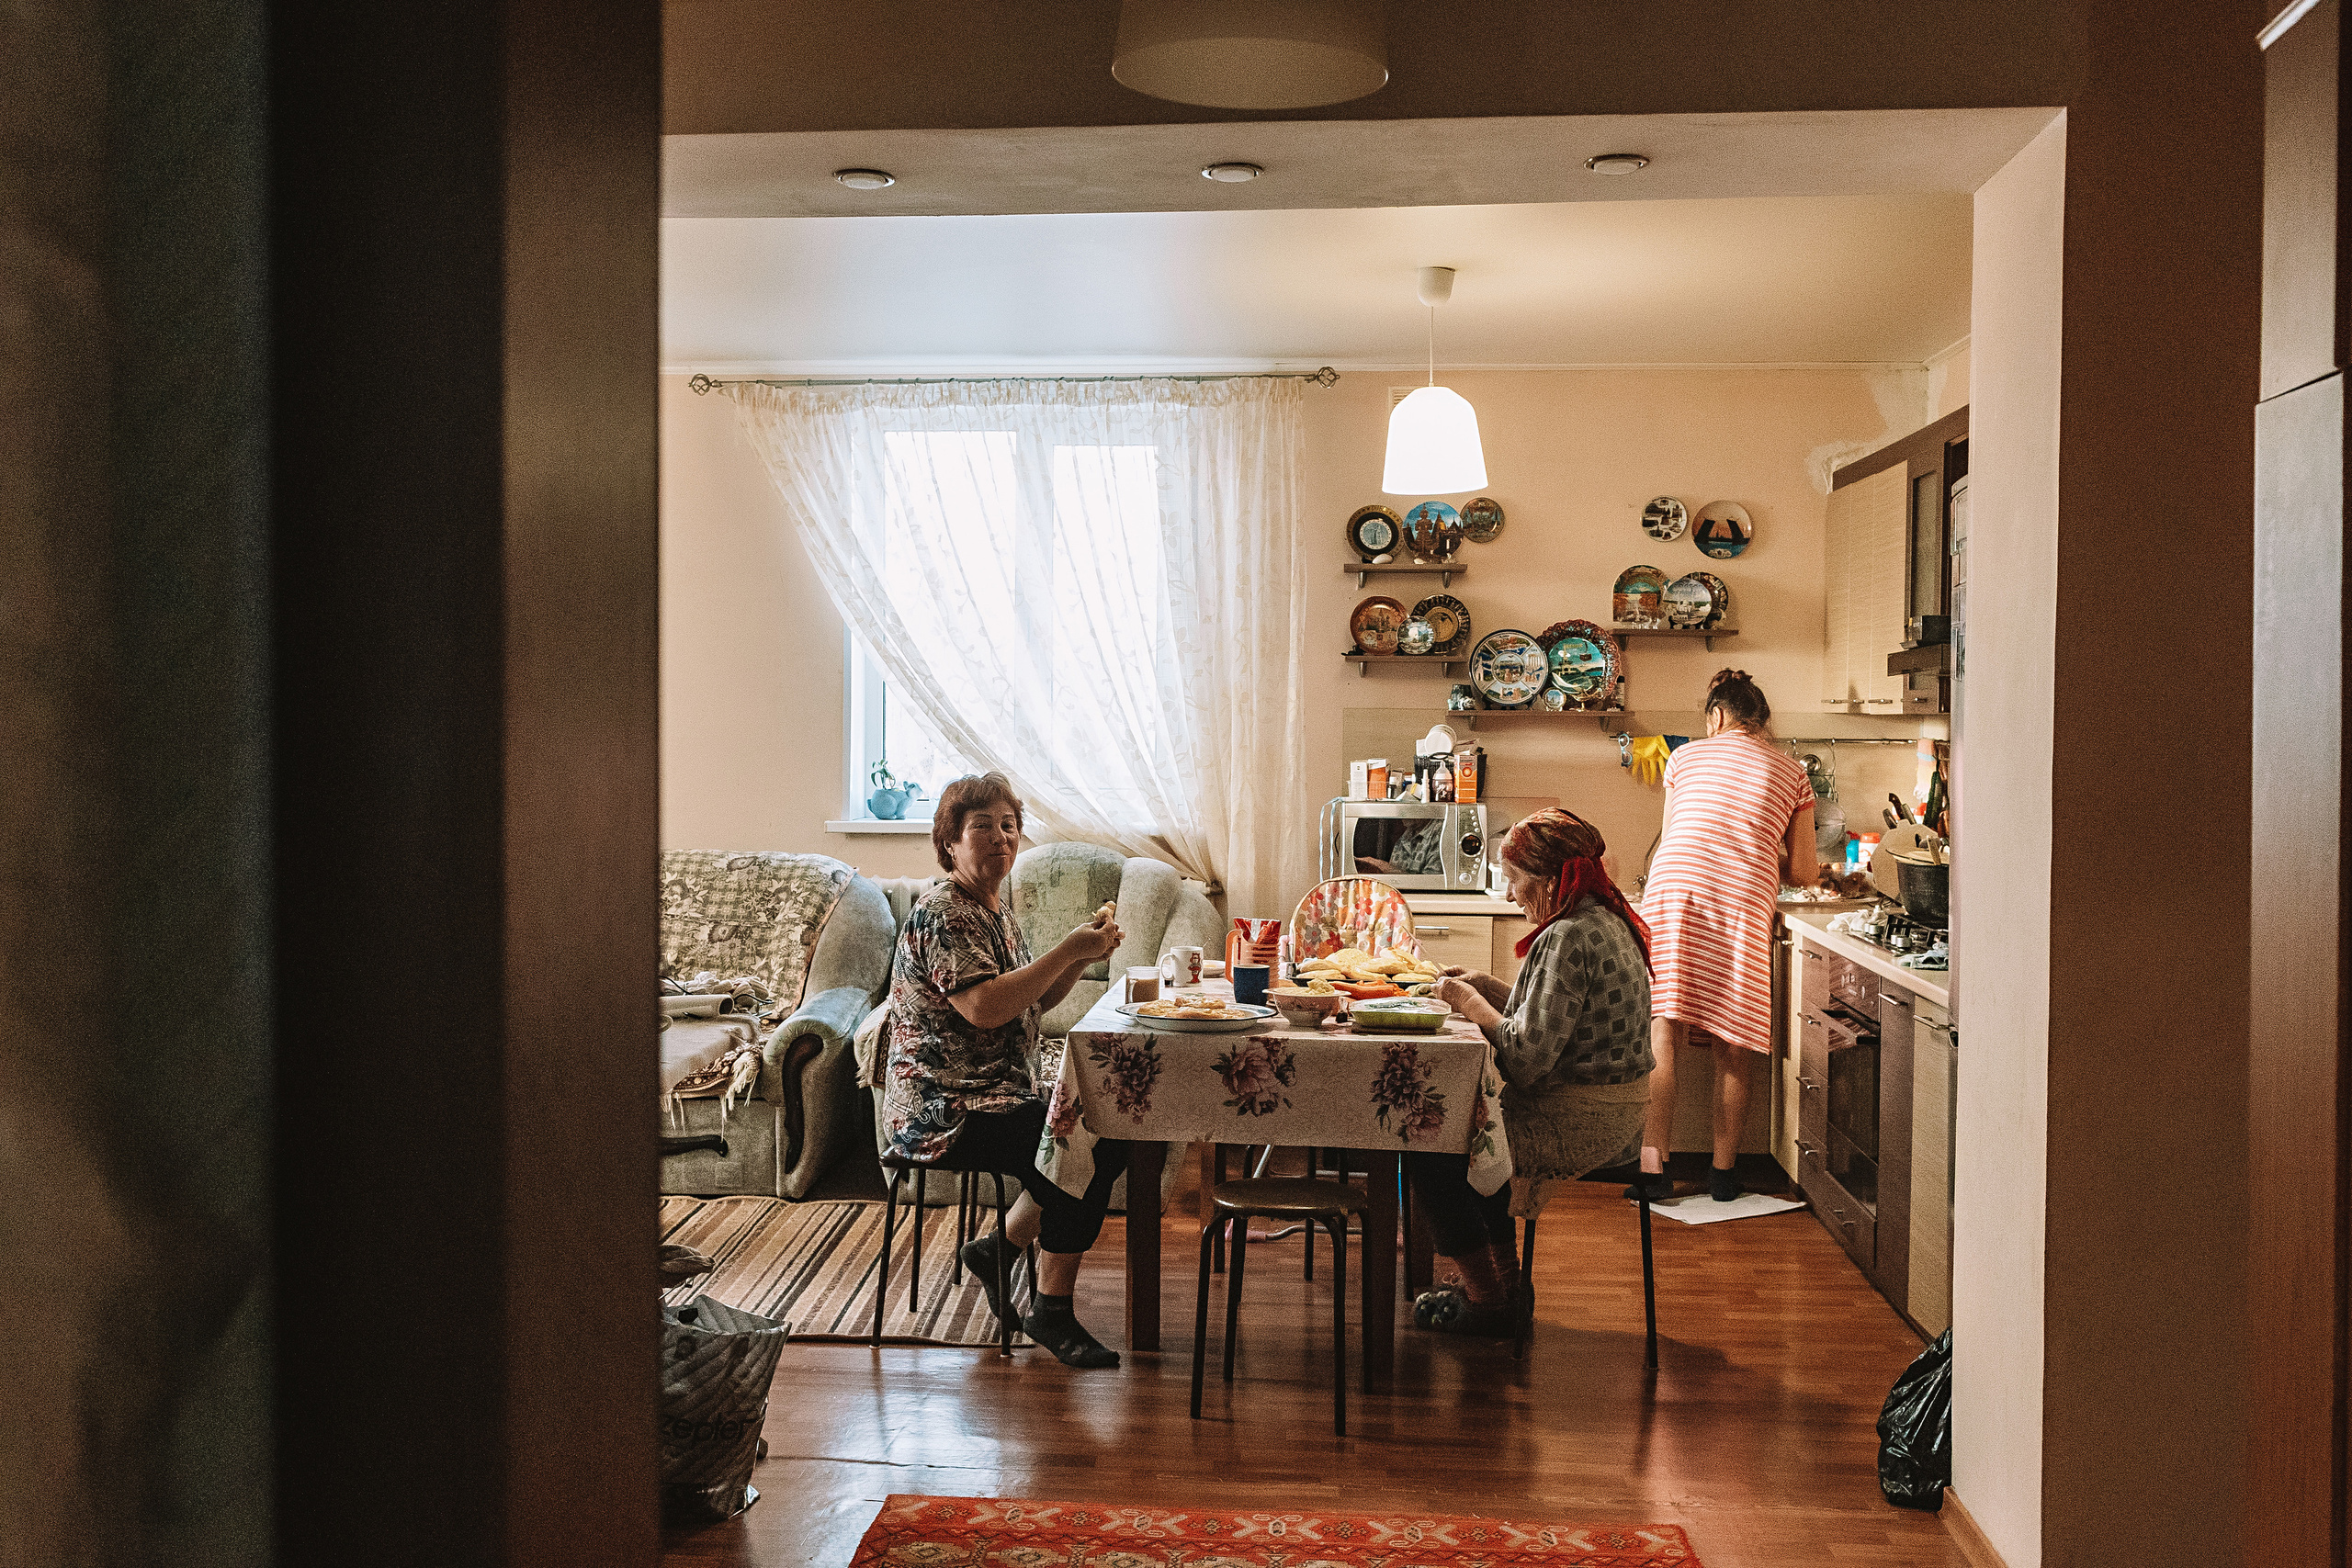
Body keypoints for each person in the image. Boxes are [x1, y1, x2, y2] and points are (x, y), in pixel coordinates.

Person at [879, 771, 1131, 1368]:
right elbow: (986, 1006)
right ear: (950, 844)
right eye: (982, 826)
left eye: (1010, 825)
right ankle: (1050, 1307)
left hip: (997, 1091)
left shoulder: (995, 909)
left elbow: (1033, 1001)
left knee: (1106, 1126)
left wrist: (1083, 955)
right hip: (942, 1108)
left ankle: (1002, 1247)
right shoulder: (945, 912)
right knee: (1081, 1138)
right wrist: (1069, 949)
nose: (1001, 837)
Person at [1408, 807, 1655, 1336]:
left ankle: (1487, 1298)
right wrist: (1487, 985)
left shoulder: (1567, 937)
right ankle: (1504, 1282)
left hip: (1585, 1121)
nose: (1512, 893)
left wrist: (1467, 1000)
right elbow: (1549, 1016)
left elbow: (1523, 1058)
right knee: (1474, 1124)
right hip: (1620, 1109)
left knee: (1430, 1140)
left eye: (1517, 880)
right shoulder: (1601, 920)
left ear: (1550, 878)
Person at [1631, 670, 1816, 1203]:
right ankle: (1723, 1176)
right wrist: (1760, 844)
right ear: (1763, 721)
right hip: (1739, 903)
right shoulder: (1793, 772)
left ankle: (1653, 1170)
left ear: (1715, 717)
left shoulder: (1685, 757)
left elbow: (1676, 834)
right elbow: (1804, 872)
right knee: (1734, 1041)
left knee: (1662, 1031)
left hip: (1672, 896)